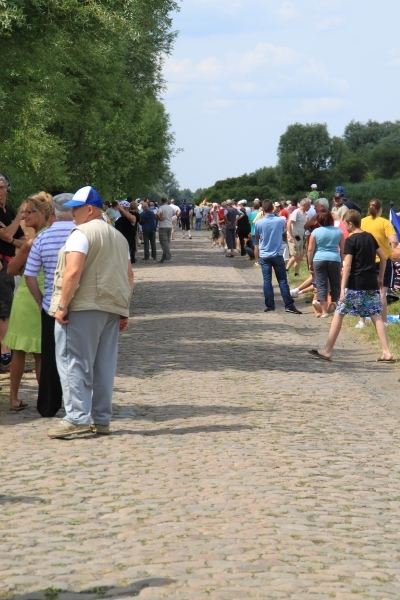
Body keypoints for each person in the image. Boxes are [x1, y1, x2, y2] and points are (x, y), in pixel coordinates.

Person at [47, 186, 134, 439]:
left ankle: (76, 418)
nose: (71, 213)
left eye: (75, 208)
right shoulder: (119, 237)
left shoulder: (80, 233)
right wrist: (124, 309)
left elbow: (73, 272)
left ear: (89, 209)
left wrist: (63, 305)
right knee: (104, 364)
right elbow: (129, 276)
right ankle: (101, 418)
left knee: (73, 360)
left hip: (83, 306)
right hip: (111, 306)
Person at [309, 210, 393, 362]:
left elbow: (347, 265)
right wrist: (380, 277)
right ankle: (386, 351)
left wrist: (341, 289)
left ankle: (327, 350)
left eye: (345, 224)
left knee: (339, 313)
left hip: (355, 284)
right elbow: (383, 257)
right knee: (376, 315)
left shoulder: (351, 240)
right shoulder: (370, 237)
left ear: (350, 224)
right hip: (371, 283)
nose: (344, 227)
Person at [25, 193, 75, 417]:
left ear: (53, 211)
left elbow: (29, 275)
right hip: (80, 303)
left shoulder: (43, 237)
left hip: (51, 305)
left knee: (50, 357)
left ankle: (48, 404)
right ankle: (80, 404)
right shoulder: (82, 234)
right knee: (80, 356)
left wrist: (39, 300)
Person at [4, 192, 53, 410]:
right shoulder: (51, 236)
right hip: (46, 294)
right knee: (41, 352)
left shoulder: (32, 242)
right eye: (23, 212)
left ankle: (13, 398)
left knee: (20, 350)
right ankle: (45, 398)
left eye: (28, 212)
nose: (24, 216)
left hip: (27, 295)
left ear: (42, 213)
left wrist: (22, 266)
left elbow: (11, 269)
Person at [356, 199, 398, 328]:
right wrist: (392, 252)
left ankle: (361, 321)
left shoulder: (362, 222)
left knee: (364, 291)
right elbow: (394, 241)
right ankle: (383, 320)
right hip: (383, 260)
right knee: (382, 292)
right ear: (380, 209)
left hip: (364, 260)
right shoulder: (385, 222)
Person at [255, 200, 301, 314]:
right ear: (272, 208)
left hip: (265, 254)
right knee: (282, 280)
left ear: (262, 209)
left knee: (267, 281)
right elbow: (282, 232)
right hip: (277, 253)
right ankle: (289, 305)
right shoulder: (280, 221)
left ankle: (270, 305)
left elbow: (257, 236)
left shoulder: (259, 223)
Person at [0, 174, 27, 371]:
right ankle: (5, 356)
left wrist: (10, 240)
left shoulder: (7, 212)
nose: (0, 192)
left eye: (2, 187)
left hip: (9, 264)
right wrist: (20, 215)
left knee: (9, 309)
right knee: (4, 311)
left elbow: (24, 240)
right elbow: (10, 234)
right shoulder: (14, 214)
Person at [307, 210, 344, 317]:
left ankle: (324, 311)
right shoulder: (339, 231)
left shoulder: (315, 232)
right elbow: (342, 248)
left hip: (319, 259)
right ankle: (338, 308)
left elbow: (310, 249)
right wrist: (341, 261)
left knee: (322, 285)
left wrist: (310, 263)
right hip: (334, 259)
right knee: (335, 284)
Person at [286, 198, 311, 275]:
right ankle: (286, 270)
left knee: (300, 255)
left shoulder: (304, 214)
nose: (310, 207)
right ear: (304, 205)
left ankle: (296, 273)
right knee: (296, 255)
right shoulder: (296, 212)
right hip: (294, 236)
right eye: (309, 206)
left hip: (300, 236)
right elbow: (289, 223)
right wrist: (290, 236)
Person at [157, 196, 175, 263]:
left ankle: (168, 257)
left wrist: (160, 218)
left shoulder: (161, 207)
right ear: (167, 201)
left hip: (163, 226)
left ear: (162, 201)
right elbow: (174, 213)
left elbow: (158, 213)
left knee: (164, 242)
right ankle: (164, 257)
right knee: (167, 242)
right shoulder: (170, 208)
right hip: (169, 226)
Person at [248, 200, 261, 267]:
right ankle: (262, 259)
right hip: (261, 232)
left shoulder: (251, 214)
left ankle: (256, 261)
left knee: (256, 246)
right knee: (261, 246)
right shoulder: (261, 213)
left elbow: (249, 222)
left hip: (253, 231)